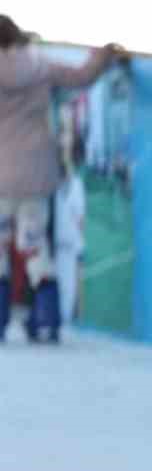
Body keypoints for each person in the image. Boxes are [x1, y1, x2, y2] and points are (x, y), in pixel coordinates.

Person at [0, 17, 121, 343]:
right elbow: (82, 76)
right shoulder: (39, 66)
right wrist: (102, 55)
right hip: (37, 170)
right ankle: (46, 320)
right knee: (34, 244)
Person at [53, 131, 86, 332]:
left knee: (69, 286)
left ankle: (65, 319)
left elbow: (80, 217)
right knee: (53, 284)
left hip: (70, 243)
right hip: (55, 244)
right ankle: (56, 318)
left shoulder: (76, 185)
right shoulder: (53, 187)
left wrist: (79, 241)